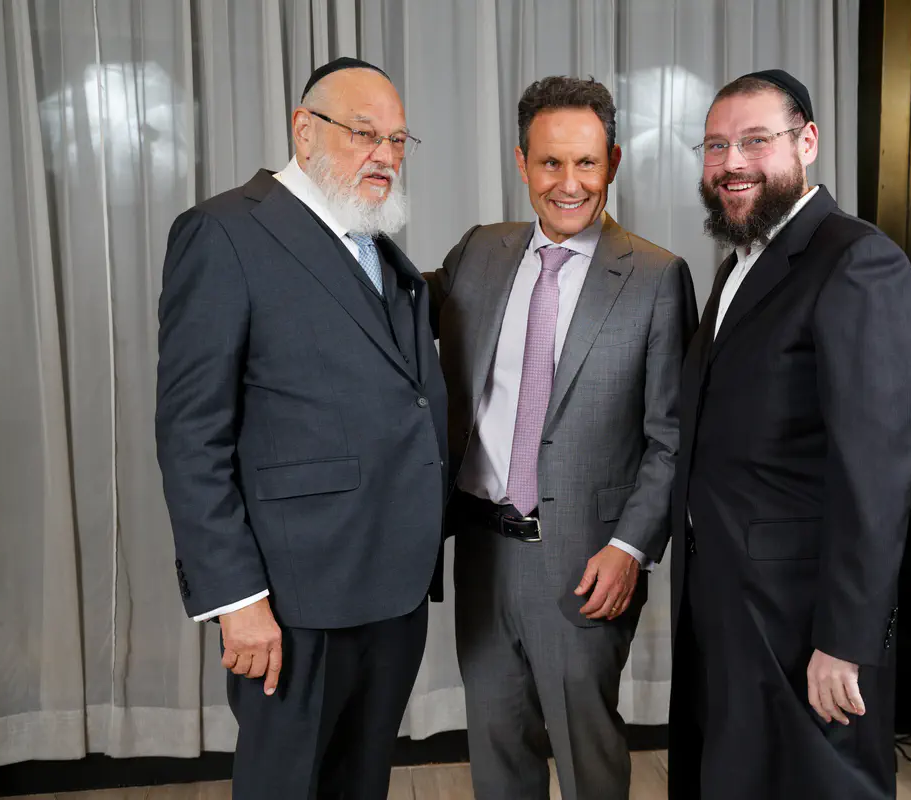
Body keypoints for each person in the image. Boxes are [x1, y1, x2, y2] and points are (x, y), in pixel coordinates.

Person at [155, 57, 446, 800]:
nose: (386, 155)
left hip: (391, 589)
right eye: (364, 133)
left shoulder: (373, 242)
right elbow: (191, 436)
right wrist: (238, 600)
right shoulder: (224, 233)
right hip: (292, 601)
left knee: (360, 784)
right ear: (304, 130)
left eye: (398, 139)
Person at [426, 75, 698, 800]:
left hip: (587, 560)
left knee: (587, 759)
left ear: (612, 162)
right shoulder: (479, 252)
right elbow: (393, 310)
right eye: (550, 162)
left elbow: (671, 437)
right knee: (496, 752)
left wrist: (630, 548)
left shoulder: (656, 277)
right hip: (482, 551)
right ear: (522, 163)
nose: (568, 183)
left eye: (586, 163)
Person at [667, 69, 911, 799]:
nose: (731, 162)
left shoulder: (857, 260)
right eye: (716, 146)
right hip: (726, 601)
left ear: (807, 141)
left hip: (801, 623)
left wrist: (845, 640)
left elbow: (876, 473)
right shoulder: (739, 267)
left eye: (755, 140)